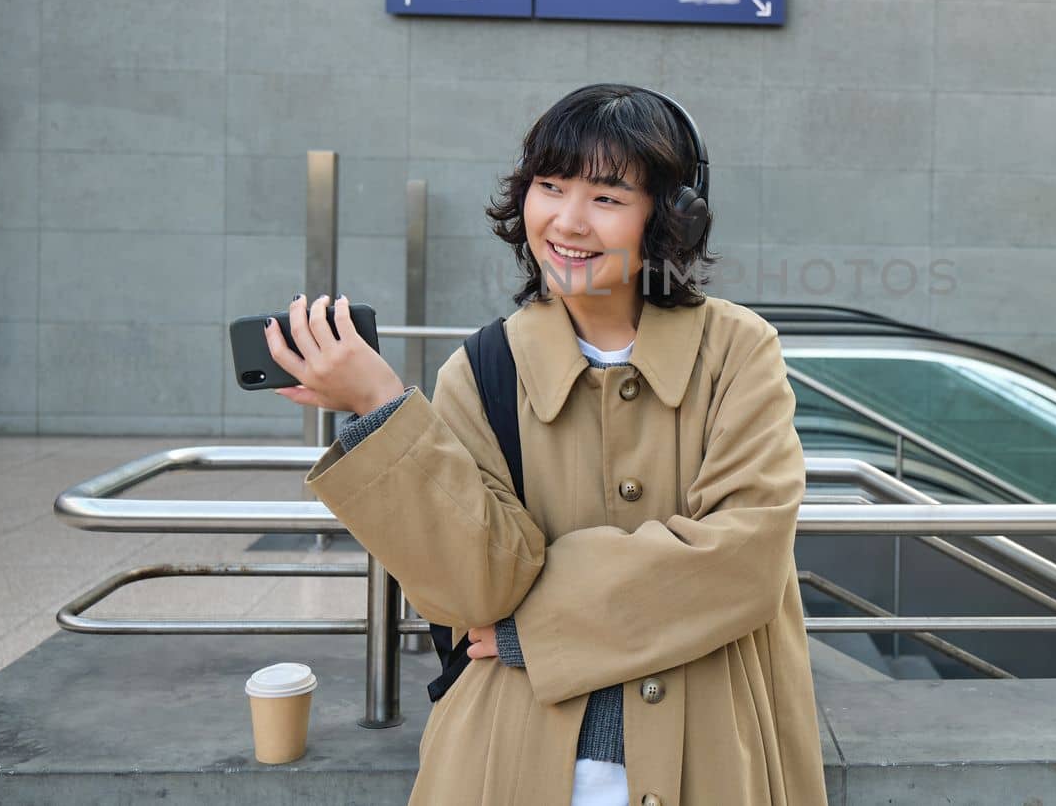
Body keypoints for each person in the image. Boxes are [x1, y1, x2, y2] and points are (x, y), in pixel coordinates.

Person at [262, 83, 828, 806]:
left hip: (711, 760)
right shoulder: (483, 368)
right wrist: (380, 407)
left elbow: (744, 558)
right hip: (506, 763)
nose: (567, 220)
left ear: (672, 217)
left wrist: (531, 623)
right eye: (550, 186)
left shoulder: (737, 352)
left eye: (607, 197)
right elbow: (472, 592)